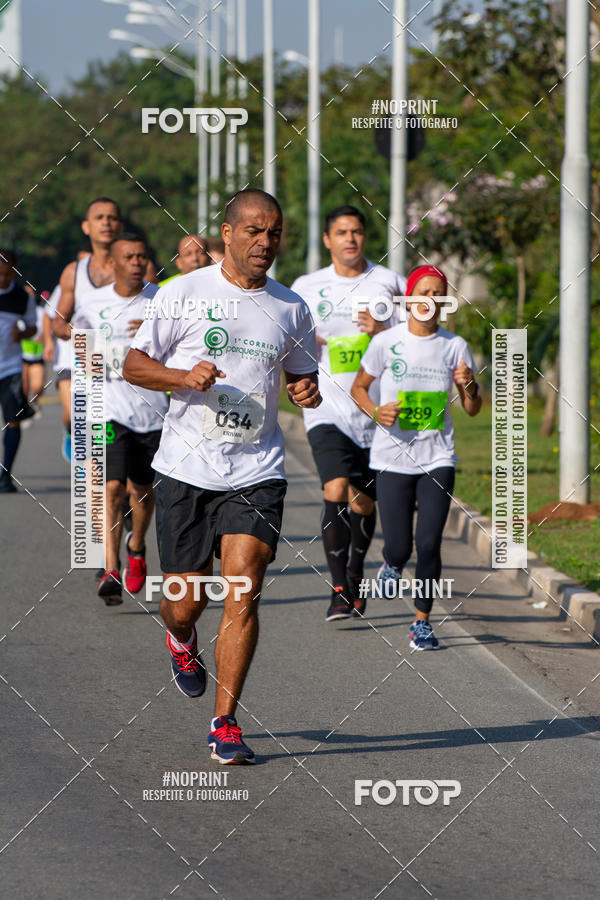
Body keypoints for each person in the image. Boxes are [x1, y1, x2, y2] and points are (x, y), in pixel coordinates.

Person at [124, 189, 320, 764]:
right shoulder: (183, 294)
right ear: (227, 234)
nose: (265, 242)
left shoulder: (292, 308)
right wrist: (183, 377)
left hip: (257, 469)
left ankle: (226, 721)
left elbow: (302, 378)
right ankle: (181, 639)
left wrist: (306, 390)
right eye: (254, 231)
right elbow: (134, 365)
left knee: (243, 588)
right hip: (186, 467)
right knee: (185, 601)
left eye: (275, 233)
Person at [350, 264, 482, 650]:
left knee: (428, 543)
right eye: (422, 291)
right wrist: (376, 411)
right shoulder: (386, 342)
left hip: (437, 457)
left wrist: (470, 385)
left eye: (437, 293)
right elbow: (360, 387)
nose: (429, 299)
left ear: (443, 302)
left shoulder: (455, 346)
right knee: (399, 547)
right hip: (391, 458)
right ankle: (391, 563)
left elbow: (473, 408)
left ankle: (422, 621)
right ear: (409, 298)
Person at [291, 205, 405, 621]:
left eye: (356, 231)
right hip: (329, 406)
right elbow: (288, 335)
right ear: (328, 240)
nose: (350, 239)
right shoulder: (306, 286)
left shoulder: (388, 282)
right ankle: (339, 588)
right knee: (335, 488)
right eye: (341, 232)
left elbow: (418, 335)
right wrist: (307, 339)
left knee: (363, 503)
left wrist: (385, 328)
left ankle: (355, 573)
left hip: (377, 410)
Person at [74, 233, 168, 604]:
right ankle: (111, 567)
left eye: (141, 257)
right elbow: (80, 341)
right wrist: (87, 357)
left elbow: (180, 350)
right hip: (108, 409)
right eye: (128, 257)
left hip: (151, 412)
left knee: (141, 491)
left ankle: (137, 545)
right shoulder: (93, 302)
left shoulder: (162, 300)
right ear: (111, 263)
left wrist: (153, 337)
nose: (136, 263)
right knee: (111, 488)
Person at [43, 250, 91, 462]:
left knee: (93, 415)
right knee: (74, 414)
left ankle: (90, 462)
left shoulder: (111, 287)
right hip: (68, 361)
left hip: (95, 361)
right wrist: (48, 342)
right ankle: (71, 437)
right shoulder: (66, 286)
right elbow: (49, 316)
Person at [0, 249, 37, 493]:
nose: (3, 278)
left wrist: (22, 333)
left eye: (7, 273)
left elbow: (33, 327)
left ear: (14, 270)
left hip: (10, 368)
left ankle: (5, 476)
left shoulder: (23, 297)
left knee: (13, 421)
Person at [21, 290, 50, 410]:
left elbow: (49, 330)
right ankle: (24, 410)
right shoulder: (16, 311)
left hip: (37, 356)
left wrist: (44, 338)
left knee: (38, 386)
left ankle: (34, 403)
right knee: (23, 388)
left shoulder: (41, 312)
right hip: (19, 357)